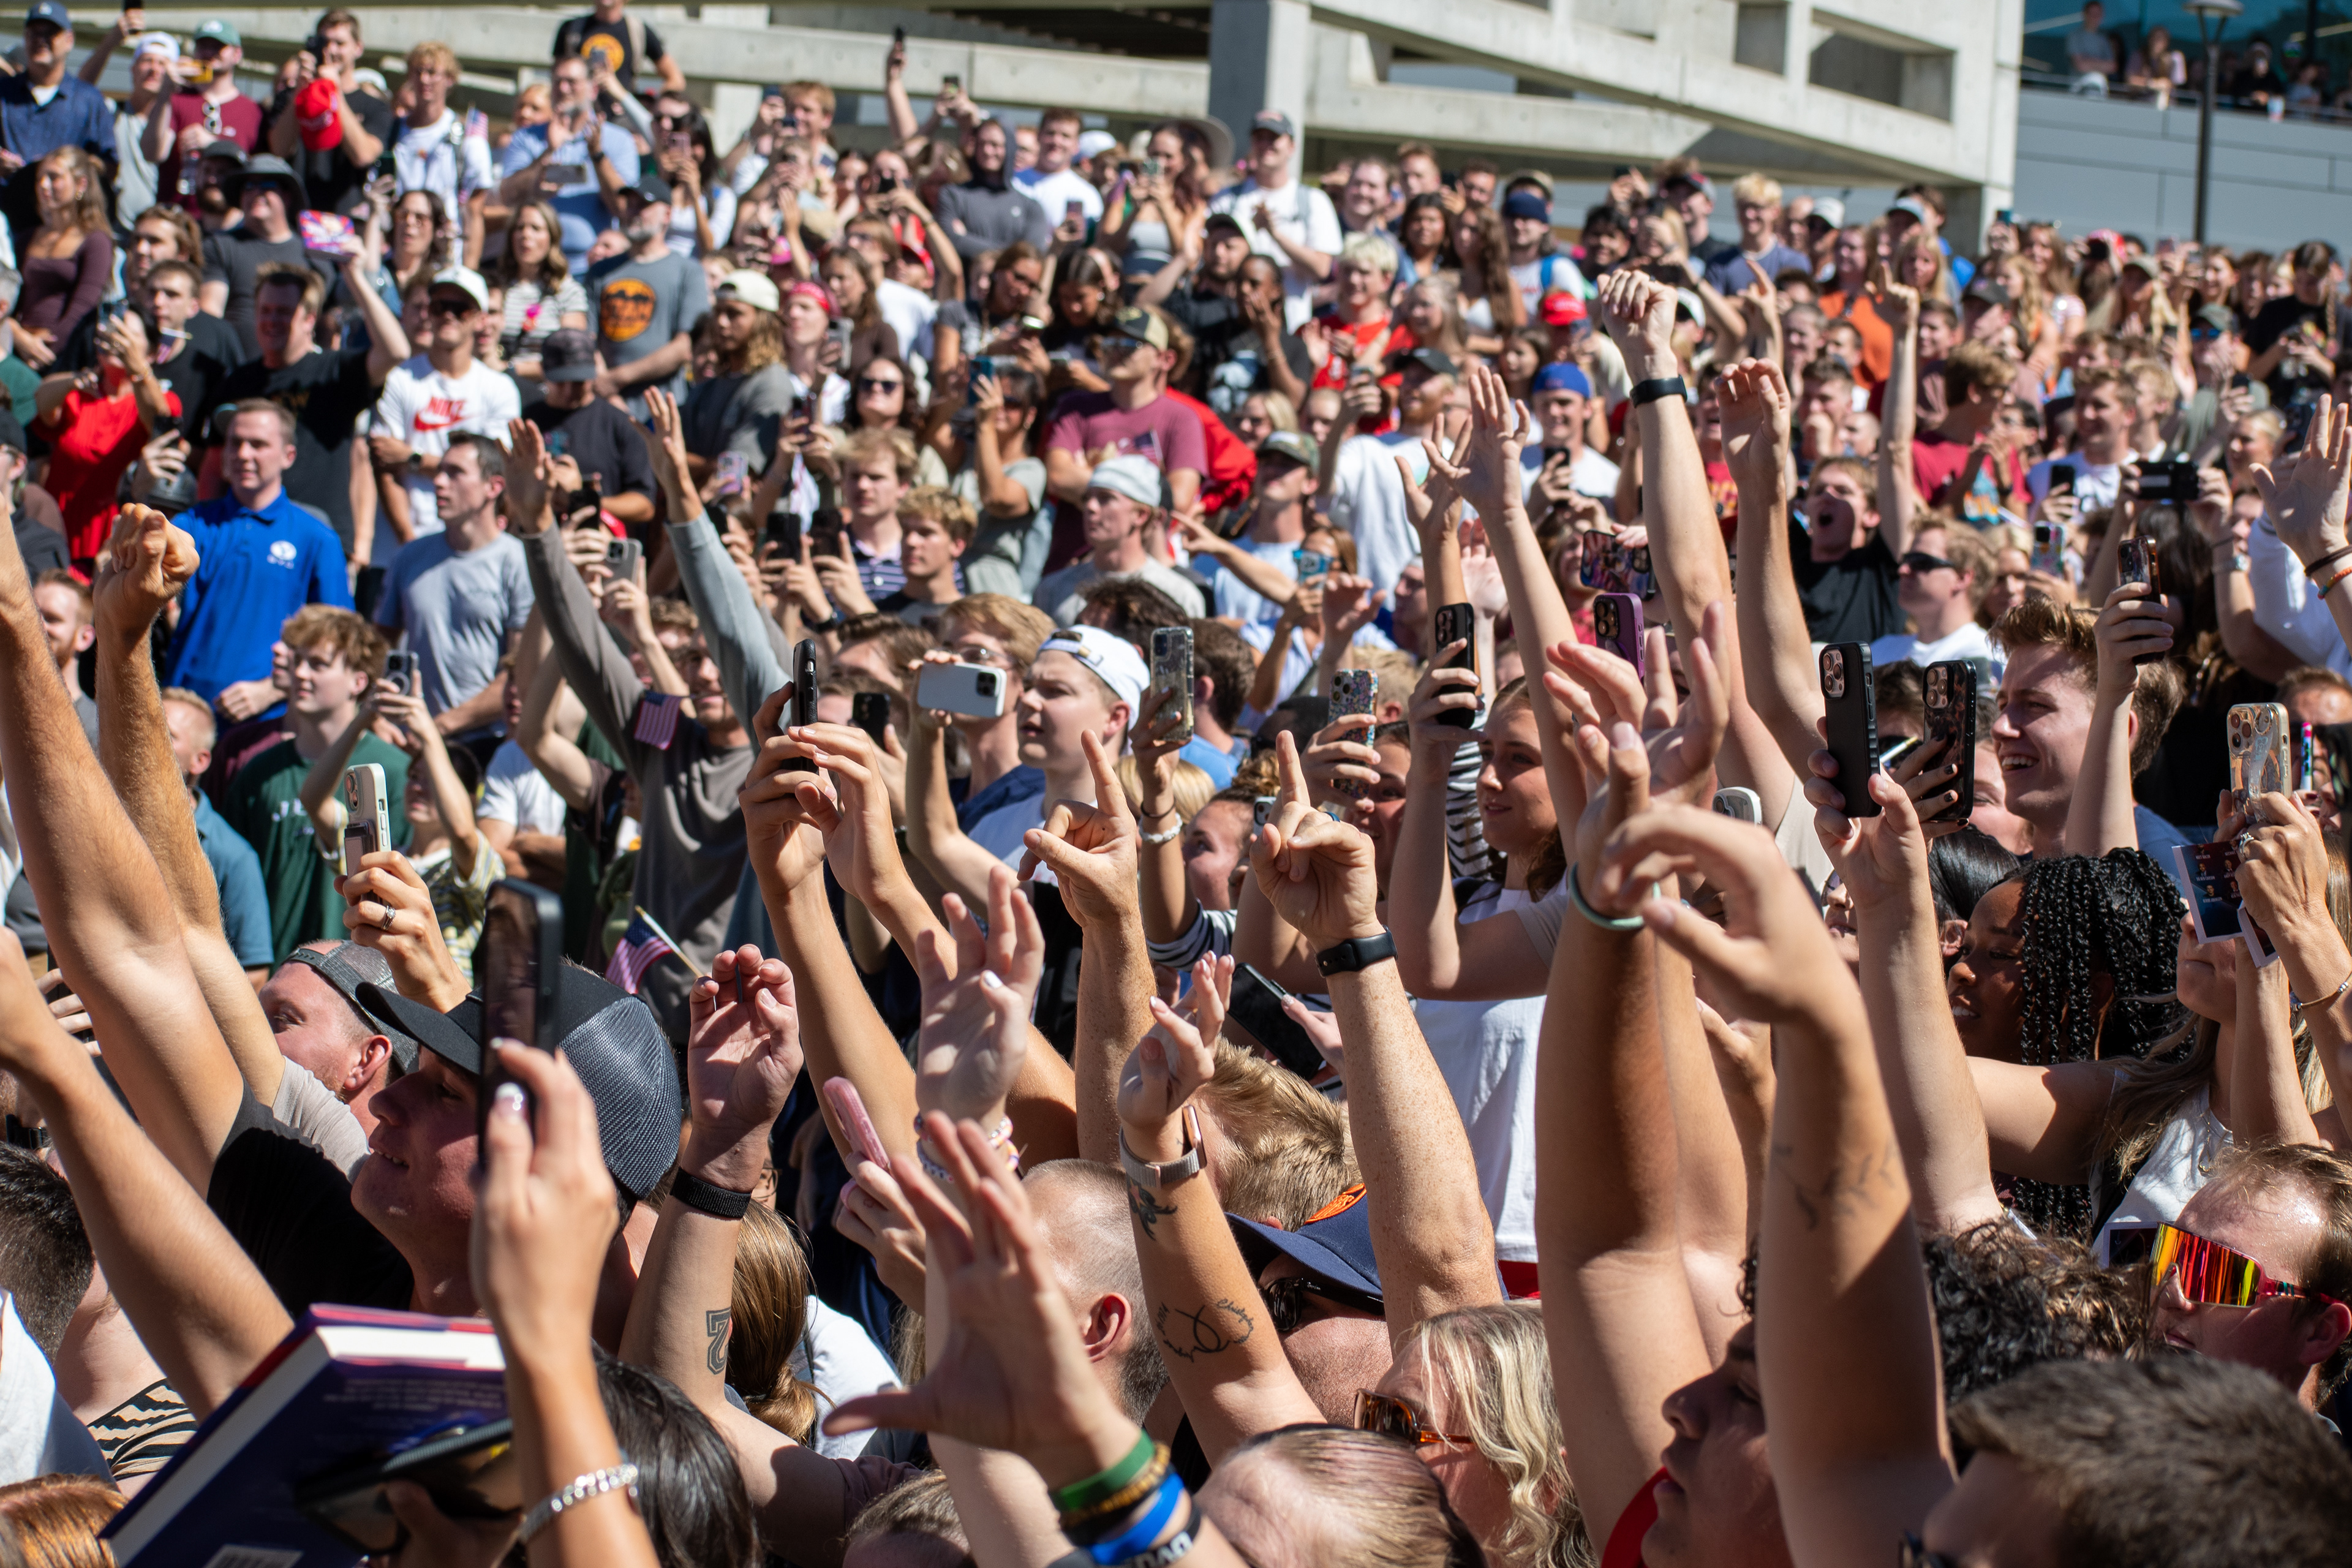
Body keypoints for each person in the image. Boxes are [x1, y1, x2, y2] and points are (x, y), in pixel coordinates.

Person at [217, 605, 408, 959]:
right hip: (272, 970)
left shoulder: (393, 770)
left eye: (318, 664)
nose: (301, 674)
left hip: (359, 977)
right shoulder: (258, 772)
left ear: (359, 681)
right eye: (298, 661)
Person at [198, 255, 410, 565]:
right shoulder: (237, 382)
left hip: (323, 542)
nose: (272, 321)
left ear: (310, 319)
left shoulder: (334, 371)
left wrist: (353, 275)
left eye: (284, 312)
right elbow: (213, 467)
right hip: (243, 539)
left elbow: (396, 350)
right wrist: (205, 537)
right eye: (265, 311)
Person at [165, 399, 355, 710]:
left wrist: (274, 689)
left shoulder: (316, 538)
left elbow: (339, 639)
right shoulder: (191, 526)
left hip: (269, 723)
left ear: (288, 456)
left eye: (258, 444)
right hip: (186, 716)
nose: (243, 454)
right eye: (235, 443)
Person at [375, 432, 533, 751]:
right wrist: (377, 716)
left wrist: (442, 726)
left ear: (494, 487)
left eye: (455, 473)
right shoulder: (410, 557)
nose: (439, 482)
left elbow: (520, 674)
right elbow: (378, 648)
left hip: (489, 745)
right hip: (414, 745)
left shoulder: (517, 561)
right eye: (440, 471)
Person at [370, 266, 521, 548]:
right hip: (402, 542)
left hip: (473, 545)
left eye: (460, 308)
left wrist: (413, 457)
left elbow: (491, 471)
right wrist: (408, 540)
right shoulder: (399, 379)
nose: (448, 315)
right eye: (440, 306)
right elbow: (386, 465)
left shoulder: (499, 388)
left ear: (480, 319)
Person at [35, 309, 178, 564]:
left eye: (127, 335)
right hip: (58, 522)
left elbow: (159, 419)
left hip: (114, 530)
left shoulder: (160, 399)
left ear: (152, 351)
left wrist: (138, 369)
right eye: (112, 332)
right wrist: (75, 380)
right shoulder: (80, 394)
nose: (117, 341)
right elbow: (42, 403)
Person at [1041, 304, 1207, 518]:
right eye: (1110, 342)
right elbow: (1058, 477)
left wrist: (1089, 477)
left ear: (1165, 359)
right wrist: (1145, 488)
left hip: (1142, 550)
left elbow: (1178, 499)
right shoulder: (1076, 408)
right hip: (1075, 549)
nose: (1117, 351)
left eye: (1131, 344)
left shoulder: (1182, 418)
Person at [157, 685, 274, 979]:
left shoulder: (232, 856)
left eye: (167, 734)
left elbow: (255, 972)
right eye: (145, 724)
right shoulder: (107, 821)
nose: (148, 737)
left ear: (201, 761)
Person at [495, 55, 638, 274]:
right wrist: (547, 153)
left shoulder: (619, 140)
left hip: (592, 269)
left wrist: (597, 155)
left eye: (572, 82)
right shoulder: (526, 138)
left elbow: (624, 209)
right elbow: (507, 195)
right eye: (557, 81)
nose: (563, 88)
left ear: (593, 89)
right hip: (535, 269)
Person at [0, 1, 117, 260]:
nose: (41, 41)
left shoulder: (88, 99)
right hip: (8, 223)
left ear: (69, 40)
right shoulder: (4, 93)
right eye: (34, 34)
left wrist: (72, 168)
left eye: (49, 34)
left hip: (67, 233)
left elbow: (109, 165)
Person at [586, 168, 707, 418]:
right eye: (630, 204)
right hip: (606, 405)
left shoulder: (688, 271)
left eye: (644, 205)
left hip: (662, 407)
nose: (634, 212)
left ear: (668, 214)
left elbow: (685, 346)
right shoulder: (601, 271)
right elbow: (588, 338)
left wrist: (618, 378)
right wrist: (609, 393)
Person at [1033, 454, 1205, 624]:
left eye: (1106, 498)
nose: (1090, 507)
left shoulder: (1179, 596)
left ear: (1140, 515)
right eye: (1088, 498)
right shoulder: (1052, 590)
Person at [1209, 110, 1340, 331]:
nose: (1266, 145)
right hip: (1233, 323)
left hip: (1292, 324)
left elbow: (1322, 268)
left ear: (1292, 147)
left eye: (1274, 138)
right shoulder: (1227, 199)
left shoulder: (1313, 200)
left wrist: (1275, 234)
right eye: (1259, 138)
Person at [198, 153, 336, 359]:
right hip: (238, 375)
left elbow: (329, 320)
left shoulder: (314, 251)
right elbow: (210, 317)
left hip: (298, 376)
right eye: (248, 187)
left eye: (267, 185)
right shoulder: (219, 246)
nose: (256, 193)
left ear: (287, 196)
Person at [264, 8, 394, 218]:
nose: (331, 51)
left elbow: (364, 155)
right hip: (297, 220)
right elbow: (278, 148)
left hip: (346, 223)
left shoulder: (375, 106)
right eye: (325, 42)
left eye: (340, 43)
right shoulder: (296, 95)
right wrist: (301, 92)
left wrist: (335, 92)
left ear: (358, 48)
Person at [522, 327, 656, 524]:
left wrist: (581, 498)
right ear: (543, 371)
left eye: (578, 381)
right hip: (539, 536)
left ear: (594, 371)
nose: (569, 391)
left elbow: (644, 505)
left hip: (598, 542)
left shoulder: (620, 424)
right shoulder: (526, 421)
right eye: (560, 381)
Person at [147, 17, 262, 216]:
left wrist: (215, 145)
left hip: (229, 223)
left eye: (218, 46)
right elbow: (151, 153)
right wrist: (165, 91)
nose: (209, 52)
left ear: (237, 54)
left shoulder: (252, 110)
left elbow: (257, 170)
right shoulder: (176, 99)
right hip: (176, 218)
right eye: (203, 46)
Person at [13, 149, 108, 362]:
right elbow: (10, 295)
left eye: (54, 178)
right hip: (18, 345)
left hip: (60, 355)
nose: (43, 186)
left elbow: (84, 306)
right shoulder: (27, 238)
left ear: (81, 184)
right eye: (40, 179)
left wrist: (48, 351)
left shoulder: (95, 241)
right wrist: (17, 337)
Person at [1871, 520, 1999, 674]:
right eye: (1906, 560)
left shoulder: (1981, 654)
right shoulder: (1881, 650)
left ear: (1962, 578)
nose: (1903, 570)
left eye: (1920, 562)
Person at [488, 199, 592, 387]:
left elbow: (570, 356)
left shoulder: (567, 291)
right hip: (497, 388)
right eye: (520, 228)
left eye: (536, 228)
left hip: (545, 393)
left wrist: (510, 369)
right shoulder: (497, 287)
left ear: (552, 237)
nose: (525, 235)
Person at [388, 40, 492, 227]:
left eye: (432, 73)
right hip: (400, 241)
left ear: (450, 78)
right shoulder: (393, 130)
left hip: (446, 246)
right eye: (418, 72)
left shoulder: (466, 133)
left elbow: (475, 209)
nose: (424, 80)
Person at [931, 117, 1049, 262]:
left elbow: (1032, 256)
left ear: (1010, 147)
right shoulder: (953, 195)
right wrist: (1011, 252)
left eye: (995, 145)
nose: (987, 151)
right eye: (982, 144)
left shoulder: (1030, 207)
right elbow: (948, 241)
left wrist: (968, 240)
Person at [552, 0, 684, 98]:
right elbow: (555, 79)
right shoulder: (571, 30)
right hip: (579, 119)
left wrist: (649, 106)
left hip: (623, 122)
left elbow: (676, 80)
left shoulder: (638, 30)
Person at [31, 567, 95, 745]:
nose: (37, 625)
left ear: (85, 638)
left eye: (52, 618)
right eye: (31, 615)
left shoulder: (94, 731)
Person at [1012, 106, 1102, 226]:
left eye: (1065, 136)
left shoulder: (1086, 195)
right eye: (1051, 133)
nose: (1056, 141)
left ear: (1077, 145)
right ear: (1038, 136)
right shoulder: (1012, 181)